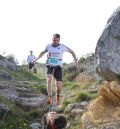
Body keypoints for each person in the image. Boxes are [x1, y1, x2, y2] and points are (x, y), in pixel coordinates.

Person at [34, 34, 77, 105]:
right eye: (54, 40)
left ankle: (58, 96)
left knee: (59, 86)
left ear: (59, 40)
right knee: (49, 79)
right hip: (49, 65)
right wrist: (37, 59)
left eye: (57, 40)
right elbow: (43, 52)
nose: (55, 42)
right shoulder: (48, 46)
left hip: (58, 67)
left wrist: (75, 59)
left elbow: (71, 51)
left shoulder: (62, 46)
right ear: (52, 39)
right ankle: (49, 97)